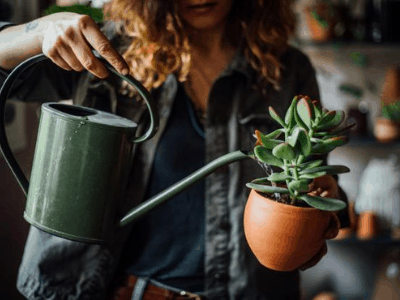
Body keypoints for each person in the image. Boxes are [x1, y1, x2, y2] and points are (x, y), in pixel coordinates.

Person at [0, 0, 350, 299]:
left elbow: (315, 176)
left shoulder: (287, 70)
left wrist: (321, 202)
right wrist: (39, 30)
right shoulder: (106, 50)